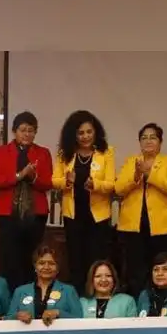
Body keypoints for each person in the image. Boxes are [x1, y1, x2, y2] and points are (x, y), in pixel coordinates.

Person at [0, 111, 54, 295]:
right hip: (9, 213)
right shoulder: (1, 151)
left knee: (32, 258)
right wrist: (19, 175)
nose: (27, 134)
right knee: (10, 259)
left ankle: (33, 297)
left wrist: (32, 178)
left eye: (31, 130)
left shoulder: (43, 153)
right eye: (22, 130)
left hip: (36, 214)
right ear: (14, 131)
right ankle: (11, 299)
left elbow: (48, 182)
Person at [52, 110, 116, 294]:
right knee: (76, 260)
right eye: (81, 133)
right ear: (73, 134)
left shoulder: (106, 153)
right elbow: (54, 180)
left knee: (97, 259)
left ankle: (98, 296)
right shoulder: (65, 154)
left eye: (89, 131)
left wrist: (95, 184)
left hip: (98, 216)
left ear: (96, 131)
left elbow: (111, 184)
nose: (85, 136)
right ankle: (78, 297)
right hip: (73, 215)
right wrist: (66, 181)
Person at [115, 123, 167, 296]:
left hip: (163, 226)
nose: (148, 141)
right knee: (136, 269)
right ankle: (138, 304)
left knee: (162, 266)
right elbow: (119, 188)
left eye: (153, 137)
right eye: (144, 138)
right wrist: (136, 176)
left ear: (160, 141)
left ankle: (164, 303)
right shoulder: (131, 161)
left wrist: (150, 174)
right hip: (133, 225)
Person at [8, 245, 82, 324]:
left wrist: (58, 313)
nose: (46, 267)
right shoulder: (20, 291)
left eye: (51, 263)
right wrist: (17, 316)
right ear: (35, 267)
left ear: (57, 268)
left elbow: (79, 318)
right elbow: (7, 318)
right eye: (41, 263)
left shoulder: (68, 291)